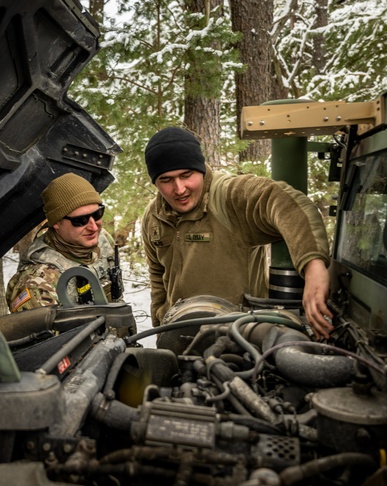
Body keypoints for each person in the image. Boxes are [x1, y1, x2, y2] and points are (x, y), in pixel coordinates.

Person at [141, 127, 334, 349]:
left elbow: (288, 203)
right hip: (180, 335)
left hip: (240, 338)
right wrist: (160, 325)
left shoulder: (229, 197)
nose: (179, 188)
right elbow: (158, 276)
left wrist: (313, 266)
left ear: (201, 169)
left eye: (186, 175)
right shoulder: (153, 217)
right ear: (155, 182)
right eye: (166, 179)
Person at [6, 173, 122, 312]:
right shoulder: (37, 282)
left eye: (97, 214)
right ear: (56, 223)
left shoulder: (103, 241)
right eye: (80, 220)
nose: (93, 227)